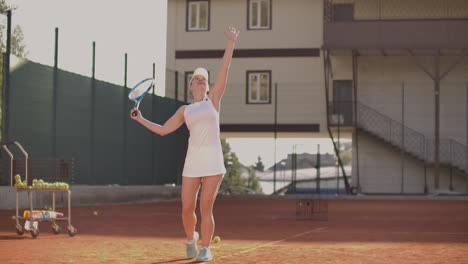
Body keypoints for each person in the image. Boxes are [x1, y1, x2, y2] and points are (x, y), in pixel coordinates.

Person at [130, 26, 239, 262]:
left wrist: (230, 42)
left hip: (213, 164)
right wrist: (140, 119)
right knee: (187, 208)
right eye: (195, 79)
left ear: (208, 86)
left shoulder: (214, 101)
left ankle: (205, 248)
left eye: (203, 79)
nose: (199, 80)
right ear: (190, 86)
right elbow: (162, 130)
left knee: (205, 207)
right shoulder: (184, 110)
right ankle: (191, 238)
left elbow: (225, 69)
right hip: (192, 164)